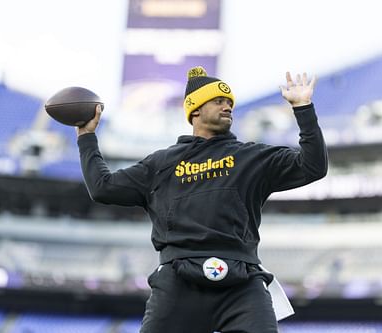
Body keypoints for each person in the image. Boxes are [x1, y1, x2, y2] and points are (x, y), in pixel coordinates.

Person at [76, 66, 328, 333]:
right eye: (218, 101)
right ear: (194, 110)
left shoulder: (252, 157)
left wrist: (304, 109)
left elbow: (313, 166)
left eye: (229, 102)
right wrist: (86, 137)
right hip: (179, 280)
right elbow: (103, 187)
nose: (227, 107)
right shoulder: (161, 164)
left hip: (242, 280)